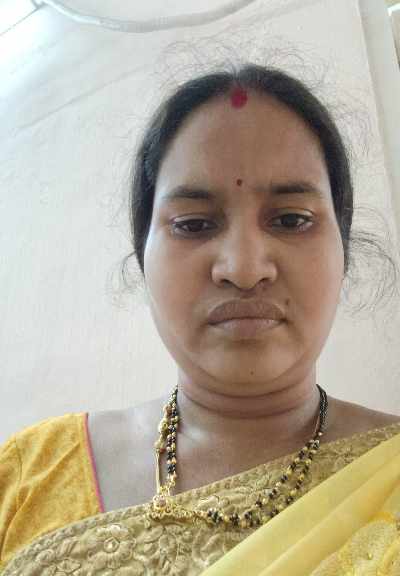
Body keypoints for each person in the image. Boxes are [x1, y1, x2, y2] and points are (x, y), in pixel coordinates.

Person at [1, 63, 400, 576]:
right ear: (142, 256)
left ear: (342, 250)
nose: (244, 269)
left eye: (291, 219)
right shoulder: (29, 477)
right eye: (193, 224)